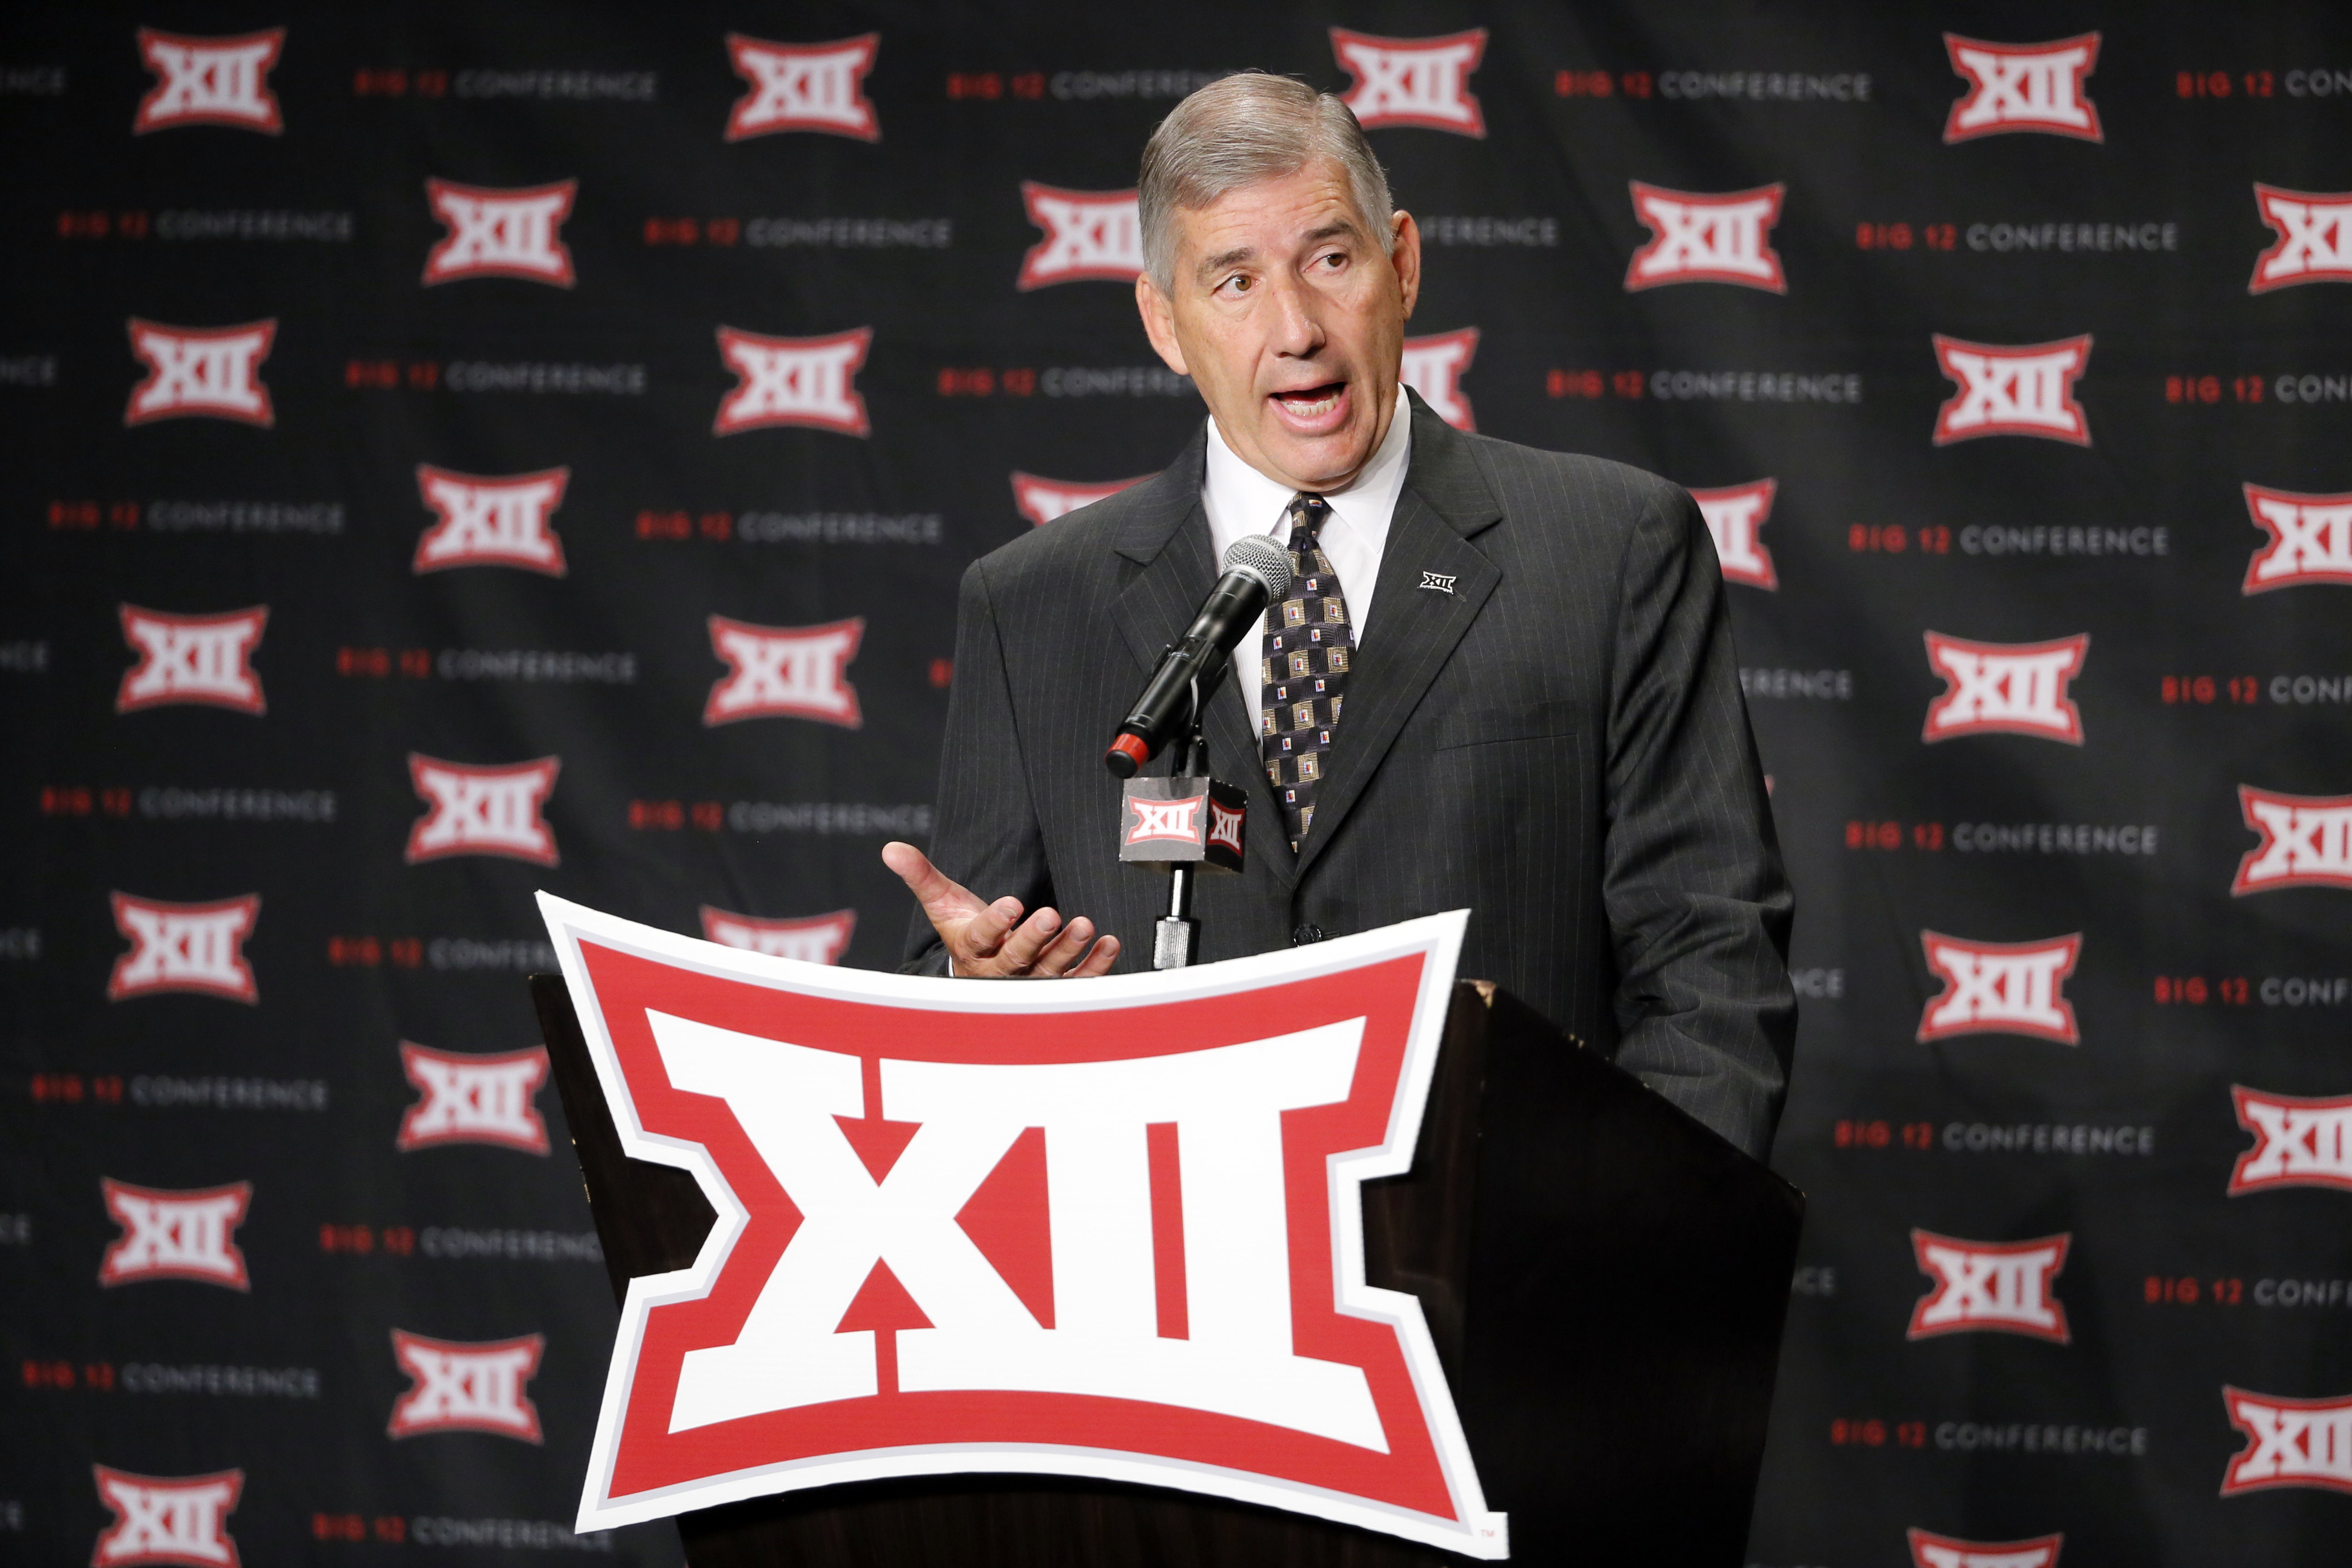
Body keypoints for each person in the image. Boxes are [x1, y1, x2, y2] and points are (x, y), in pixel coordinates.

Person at [883, 72, 1794, 1159]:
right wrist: (970, 991)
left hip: (1514, 1273)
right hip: (1176, 1288)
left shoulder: (1612, 547)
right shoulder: (1029, 603)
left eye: (1330, 260)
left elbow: (1712, 966)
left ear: (1399, 264)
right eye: (1233, 282)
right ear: (1165, 324)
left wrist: (1624, 1252)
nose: (1297, 329)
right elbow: (958, 982)